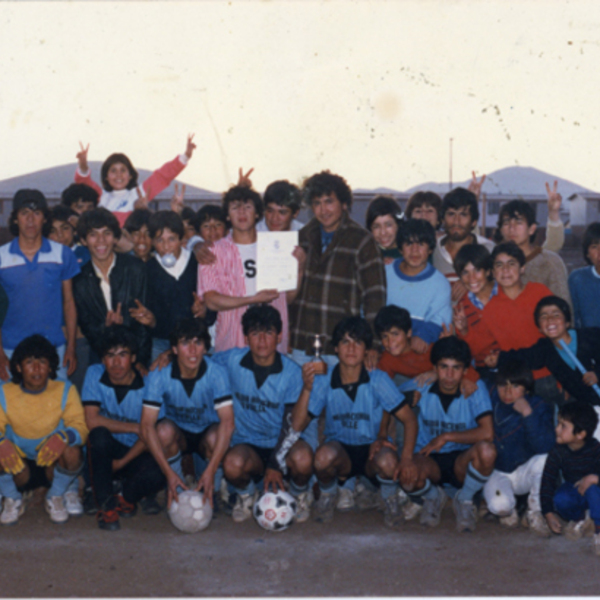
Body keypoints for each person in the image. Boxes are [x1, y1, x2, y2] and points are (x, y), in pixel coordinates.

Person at [288, 317, 418, 527]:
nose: (351, 348)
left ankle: (388, 498)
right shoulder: (324, 379)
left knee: (388, 460)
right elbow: (297, 426)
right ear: (336, 349)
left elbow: (409, 419)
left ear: (367, 350)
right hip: (341, 451)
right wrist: (306, 388)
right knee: (322, 457)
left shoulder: (378, 379)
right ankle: (328, 496)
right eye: (345, 342)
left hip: (371, 450)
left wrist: (407, 459)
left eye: (358, 342)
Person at [212, 305, 316, 523]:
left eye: (268, 333)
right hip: (248, 446)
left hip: (282, 445)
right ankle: (247, 495)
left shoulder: (292, 373)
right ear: (246, 337)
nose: (261, 340)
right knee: (232, 463)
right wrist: (166, 355)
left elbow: (291, 426)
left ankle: (298, 494)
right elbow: (199, 362)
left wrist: (275, 465)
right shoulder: (232, 360)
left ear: (279, 337)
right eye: (255, 333)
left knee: (304, 458)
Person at [399, 336, 496, 533]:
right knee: (405, 474)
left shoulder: (474, 389)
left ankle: (465, 499)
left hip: (462, 460)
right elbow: (384, 399)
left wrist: (446, 437)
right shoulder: (421, 385)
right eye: (443, 367)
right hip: (429, 458)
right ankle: (433, 496)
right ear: (434, 368)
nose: (449, 374)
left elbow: (487, 432)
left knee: (487, 451)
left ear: (466, 371)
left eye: (456, 368)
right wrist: (405, 399)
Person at [290, 171, 386, 366]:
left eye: (329, 201)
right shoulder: (302, 237)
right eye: (316, 203)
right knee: (302, 396)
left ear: (344, 204)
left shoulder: (362, 241)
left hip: (341, 347)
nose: (323, 210)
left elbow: (375, 298)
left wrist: (373, 345)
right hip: (300, 343)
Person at [140, 318, 234, 508]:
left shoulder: (217, 373)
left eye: (198, 343)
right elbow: (146, 425)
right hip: (179, 435)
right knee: (163, 431)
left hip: (206, 434)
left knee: (218, 435)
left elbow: (228, 423)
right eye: (185, 343)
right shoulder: (159, 373)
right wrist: (168, 473)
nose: (192, 350)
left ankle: (209, 487)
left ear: (205, 348)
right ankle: (177, 487)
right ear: (174, 349)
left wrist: (211, 469)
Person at [83, 326, 165, 530]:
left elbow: (152, 434)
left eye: (123, 355)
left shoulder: (149, 383)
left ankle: (126, 497)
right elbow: (92, 421)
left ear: (134, 358)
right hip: (105, 453)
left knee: (161, 472)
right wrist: (137, 428)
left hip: (135, 452)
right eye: (110, 356)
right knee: (98, 435)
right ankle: (105, 506)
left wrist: (121, 463)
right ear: (102, 359)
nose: (116, 362)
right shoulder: (94, 373)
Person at [197, 185, 296, 354]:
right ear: (227, 215)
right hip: (232, 342)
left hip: (273, 344)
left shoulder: (277, 246)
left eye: (248, 207)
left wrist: (298, 270)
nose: (241, 213)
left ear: (258, 213)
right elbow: (211, 301)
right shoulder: (212, 252)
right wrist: (253, 299)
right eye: (235, 207)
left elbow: (289, 298)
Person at [0, 335, 88, 525]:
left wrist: (64, 437)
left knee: (73, 451)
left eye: (42, 362)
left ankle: (55, 495)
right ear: (18, 367)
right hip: (19, 468)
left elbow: (81, 428)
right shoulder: (5, 392)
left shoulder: (65, 389)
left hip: (52, 465)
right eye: (29, 362)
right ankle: (11, 497)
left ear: (50, 367)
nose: (37, 368)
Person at [0, 189, 80, 381]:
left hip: (55, 347)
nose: (30, 220)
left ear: (45, 219)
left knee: (58, 407)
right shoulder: (1, 257)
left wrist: (71, 346)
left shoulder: (62, 254)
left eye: (36, 213)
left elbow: (69, 302)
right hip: (10, 348)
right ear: (15, 219)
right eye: (24, 213)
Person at [456, 242, 553, 389]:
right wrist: (464, 332)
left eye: (477, 270)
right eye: (499, 265)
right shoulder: (480, 309)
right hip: (511, 375)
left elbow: (556, 335)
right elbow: (476, 345)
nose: (505, 270)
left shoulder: (531, 290)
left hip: (546, 369)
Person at [488, 296, 600, 411]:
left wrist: (597, 373)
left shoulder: (592, 336)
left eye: (556, 315)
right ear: (540, 329)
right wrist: (498, 359)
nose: (550, 319)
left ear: (567, 322)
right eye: (544, 316)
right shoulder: (545, 349)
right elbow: (522, 357)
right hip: (592, 409)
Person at [72, 208, 151, 369]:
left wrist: (140, 360)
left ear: (115, 238)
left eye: (107, 233)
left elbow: (144, 323)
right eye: (93, 234)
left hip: (137, 356)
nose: (101, 241)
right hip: (100, 356)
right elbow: (88, 327)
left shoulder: (136, 268)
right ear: (84, 240)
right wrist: (106, 328)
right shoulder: (79, 280)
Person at [482, 360, 554, 536]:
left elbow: (544, 446)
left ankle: (535, 511)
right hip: (498, 471)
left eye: (515, 386)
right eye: (502, 386)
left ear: (526, 388)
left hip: (524, 470)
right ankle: (510, 507)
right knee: (501, 507)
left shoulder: (537, 405)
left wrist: (528, 414)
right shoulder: (491, 397)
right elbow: (473, 378)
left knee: (545, 459)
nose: (507, 392)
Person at [74, 135, 196, 226]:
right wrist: (83, 166)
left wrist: (185, 157)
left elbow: (162, 176)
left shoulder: (138, 194)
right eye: (113, 171)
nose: (118, 175)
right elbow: (83, 183)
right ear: (106, 176)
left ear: (130, 175)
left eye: (123, 170)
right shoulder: (101, 197)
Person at [142, 211, 207, 362]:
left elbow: (210, 304)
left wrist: (204, 312)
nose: (166, 247)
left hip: (195, 342)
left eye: (171, 239)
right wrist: (151, 322)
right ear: (152, 242)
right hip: (161, 343)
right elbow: (149, 315)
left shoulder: (197, 263)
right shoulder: (147, 270)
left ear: (181, 238)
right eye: (159, 240)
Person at [540, 401, 600, 555]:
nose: (556, 429)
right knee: (561, 498)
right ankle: (582, 520)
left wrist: (595, 478)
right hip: (574, 491)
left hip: (596, 494)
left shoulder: (596, 448)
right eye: (558, 424)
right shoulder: (557, 452)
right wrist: (547, 513)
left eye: (563, 426)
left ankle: (598, 531)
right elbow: (547, 481)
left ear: (580, 434)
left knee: (593, 490)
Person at [385, 218, 451, 352]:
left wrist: (423, 335)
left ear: (431, 249)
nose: (414, 251)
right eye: (409, 244)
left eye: (421, 244)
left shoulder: (440, 284)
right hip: (386, 347)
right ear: (400, 248)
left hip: (420, 351)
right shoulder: (384, 273)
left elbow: (441, 319)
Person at [493, 198, 571, 307]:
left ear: (532, 229)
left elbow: (564, 308)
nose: (512, 228)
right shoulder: (493, 262)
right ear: (501, 229)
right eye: (506, 223)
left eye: (518, 222)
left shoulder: (550, 262)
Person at [432, 187, 494, 299]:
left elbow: (502, 287)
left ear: (474, 222)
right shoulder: (432, 249)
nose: (456, 221)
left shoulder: (489, 249)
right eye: (451, 214)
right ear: (442, 219)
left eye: (463, 215)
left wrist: (471, 281)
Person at [451, 244, 500, 368]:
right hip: (483, 369)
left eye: (477, 270)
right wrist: (464, 331)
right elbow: (469, 352)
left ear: (488, 271)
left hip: (515, 364)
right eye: (465, 272)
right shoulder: (462, 307)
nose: (471, 278)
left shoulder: (505, 293)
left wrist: (502, 356)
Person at [569, 222, 600, 329]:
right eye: (594, 247)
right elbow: (572, 317)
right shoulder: (577, 279)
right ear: (587, 253)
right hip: (587, 341)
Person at [366, 195, 403, 264]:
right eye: (376, 226)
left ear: (398, 224)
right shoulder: (367, 255)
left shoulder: (411, 253)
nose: (383, 232)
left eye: (388, 225)